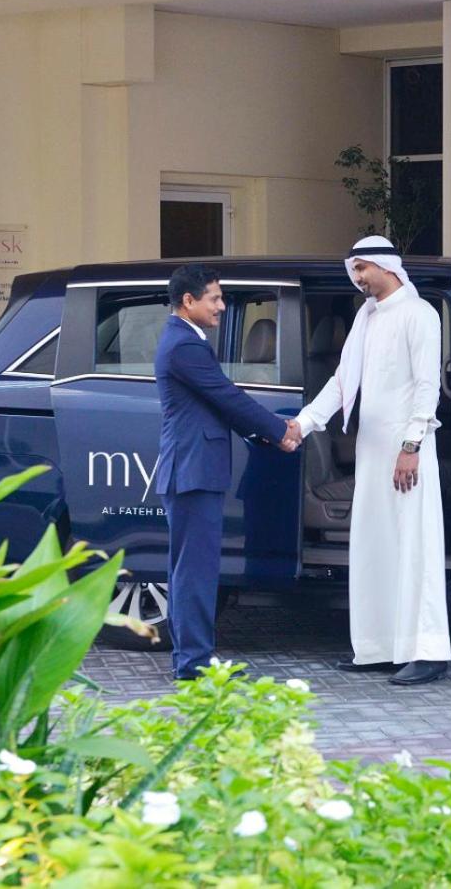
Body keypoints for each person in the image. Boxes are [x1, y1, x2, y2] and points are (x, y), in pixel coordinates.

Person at [296, 236, 451, 686]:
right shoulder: (366, 316)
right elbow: (343, 382)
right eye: (354, 269)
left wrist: (411, 447)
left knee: (415, 547)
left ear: (387, 267)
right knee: (374, 545)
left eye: (362, 268)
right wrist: (303, 425)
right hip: (371, 451)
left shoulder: (419, 314)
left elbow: (426, 388)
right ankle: (379, 648)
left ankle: (426, 650)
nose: (357, 277)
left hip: (408, 454)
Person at [155, 263, 302, 680]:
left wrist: (268, 435)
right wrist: (279, 430)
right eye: (215, 298)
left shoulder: (187, 340)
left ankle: (195, 660)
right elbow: (227, 396)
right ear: (189, 301)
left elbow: (218, 404)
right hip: (192, 472)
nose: (221, 306)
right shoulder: (185, 345)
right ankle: (195, 664)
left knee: (192, 571)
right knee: (194, 573)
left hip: (195, 471)